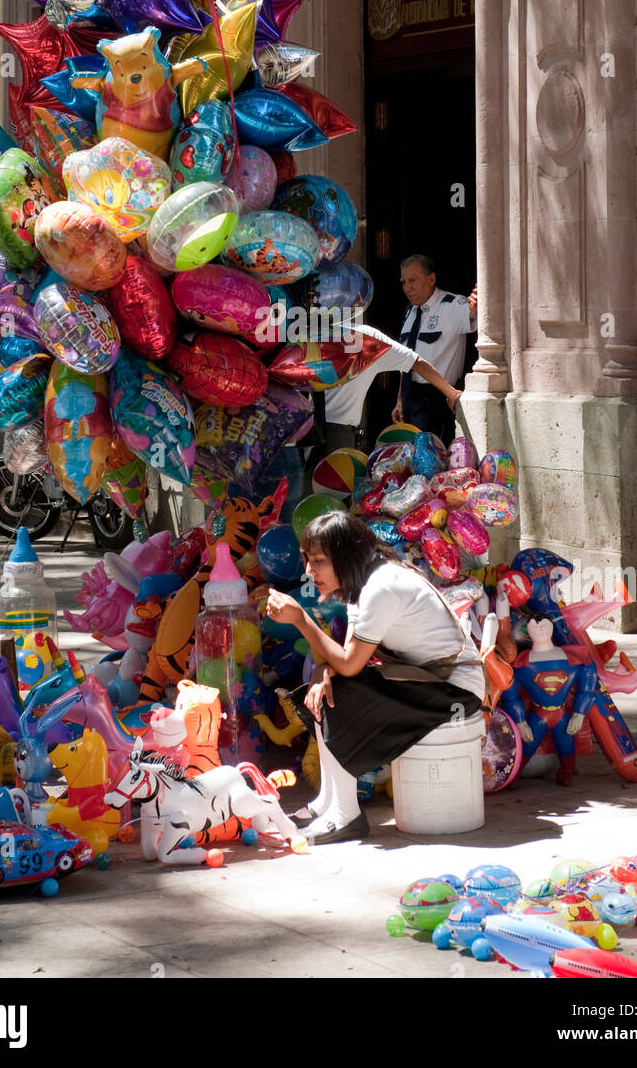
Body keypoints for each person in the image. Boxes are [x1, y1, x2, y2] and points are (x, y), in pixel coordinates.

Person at [264, 511, 485, 844]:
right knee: (323, 689)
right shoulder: (364, 581)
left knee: (337, 694)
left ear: (346, 556)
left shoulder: (381, 587)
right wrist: (324, 669)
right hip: (429, 680)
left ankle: (345, 815)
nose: (309, 571)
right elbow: (346, 658)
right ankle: (328, 802)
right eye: (307, 560)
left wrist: (301, 620)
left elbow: (350, 665)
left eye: (319, 561)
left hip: (456, 690)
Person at [321, 320, 463, 453]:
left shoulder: (305, 333)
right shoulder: (366, 337)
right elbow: (417, 362)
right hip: (338, 436)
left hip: (308, 430)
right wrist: (452, 394)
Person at [394, 255, 477, 442]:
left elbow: (473, 312)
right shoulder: (410, 311)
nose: (407, 287)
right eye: (404, 282)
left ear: (431, 279)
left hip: (437, 398)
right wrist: (400, 400)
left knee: (432, 459)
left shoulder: (452, 305)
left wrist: (478, 302)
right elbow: (405, 358)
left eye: (412, 280)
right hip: (409, 397)